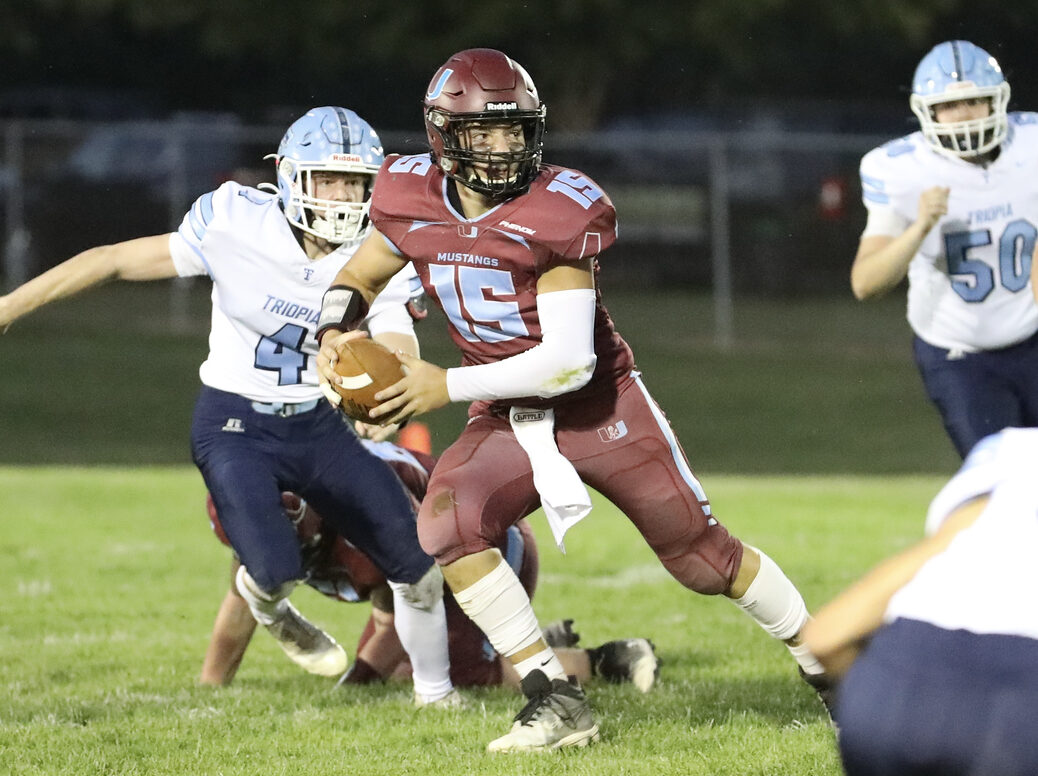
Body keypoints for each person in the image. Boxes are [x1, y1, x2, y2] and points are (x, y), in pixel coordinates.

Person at [314, 48, 830, 752]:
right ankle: (554, 698)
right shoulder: (408, 195)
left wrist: (444, 384)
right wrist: (333, 330)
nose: (503, 148)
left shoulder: (556, 208)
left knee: (702, 559)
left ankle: (829, 664)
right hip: (503, 411)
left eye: (515, 131)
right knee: (447, 526)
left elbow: (565, 362)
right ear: (442, 136)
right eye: (484, 134)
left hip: (597, 407)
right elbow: (364, 271)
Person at [0, 106, 457, 706]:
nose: (343, 198)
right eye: (328, 179)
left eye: (355, 183)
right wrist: (9, 306)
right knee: (272, 569)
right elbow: (111, 259)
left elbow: (398, 341)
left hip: (319, 426)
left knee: (415, 560)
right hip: (235, 422)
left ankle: (438, 696)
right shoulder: (236, 223)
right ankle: (269, 600)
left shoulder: (381, 251)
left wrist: (384, 389)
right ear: (291, 177)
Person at [200, 438, 660, 693]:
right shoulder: (267, 496)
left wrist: (356, 681)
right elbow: (242, 600)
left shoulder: (363, 518)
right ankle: (511, 639)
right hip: (419, 574)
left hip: (485, 550)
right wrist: (211, 686)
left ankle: (609, 659)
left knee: (461, 675)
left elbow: (401, 609)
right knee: (401, 672)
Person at [803, 427, 1038, 776]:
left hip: (891, 696)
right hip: (1018, 699)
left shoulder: (1010, 450)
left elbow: (825, 636)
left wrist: (878, 692)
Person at [850, 40, 1038, 459]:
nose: (964, 115)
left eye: (974, 101)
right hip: (961, 355)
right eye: (950, 106)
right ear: (927, 112)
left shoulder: (1032, 146)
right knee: (1000, 483)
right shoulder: (899, 170)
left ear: (998, 101)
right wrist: (920, 227)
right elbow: (865, 283)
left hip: (1032, 337)